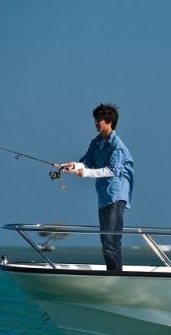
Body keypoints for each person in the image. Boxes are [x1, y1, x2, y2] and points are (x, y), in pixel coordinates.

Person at [62, 103, 134, 272]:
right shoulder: (96, 142)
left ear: (108, 122)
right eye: (95, 120)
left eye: (98, 120)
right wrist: (73, 166)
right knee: (106, 240)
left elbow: (111, 170)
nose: (95, 123)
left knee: (111, 241)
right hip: (103, 197)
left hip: (116, 197)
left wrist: (86, 173)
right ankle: (114, 272)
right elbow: (87, 161)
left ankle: (116, 276)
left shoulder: (117, 146)